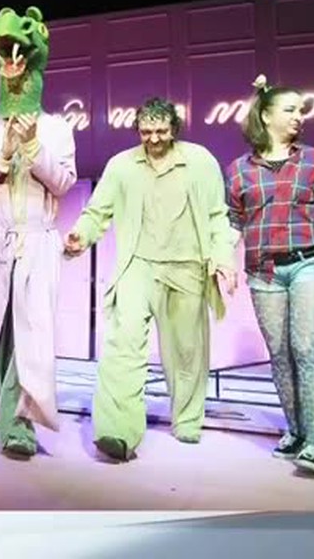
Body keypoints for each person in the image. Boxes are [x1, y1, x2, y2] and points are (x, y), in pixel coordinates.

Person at [65, 97, 235, 461]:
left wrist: (223, 259)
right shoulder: (122, 165)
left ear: (174, 128)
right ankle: (116, 431)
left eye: (161, 131)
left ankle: (187, 420)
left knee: (187, 352)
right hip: (137, 265)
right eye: (146, 132)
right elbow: (97, 211)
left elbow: (217, 216)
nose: (154, 139)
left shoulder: (200, 161)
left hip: (187, 266)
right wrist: (81, 235)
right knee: (122, 347)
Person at [0, 6, 77, 459]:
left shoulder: (56, 127)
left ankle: (20, 424)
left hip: (37, 239)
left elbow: (63, 182)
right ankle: (3, 411)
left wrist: (33, 146)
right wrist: (3, 155)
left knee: (31, 334)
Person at [227, 75, 314, 477]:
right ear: (266, 115)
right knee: (280, 354)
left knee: (306, 346)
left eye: (302, 111)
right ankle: (296, 432)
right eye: (291, 109)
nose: (300, 116)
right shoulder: (238, 170)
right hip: (265, 270)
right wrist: (221, 259)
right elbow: (234, 220)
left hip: (312, 262)